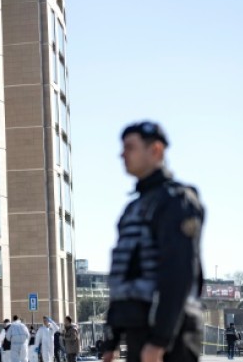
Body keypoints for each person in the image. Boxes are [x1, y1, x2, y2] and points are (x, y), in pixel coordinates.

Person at [101, 121, 205, 362]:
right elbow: (124, 274)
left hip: (172, 335)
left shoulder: (176, 201)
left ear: (156, 150)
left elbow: (179, 271)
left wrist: (160, 340)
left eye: (130, 147)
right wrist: (112, 339)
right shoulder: (134, 208)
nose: (122, 154)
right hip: (140, 330)